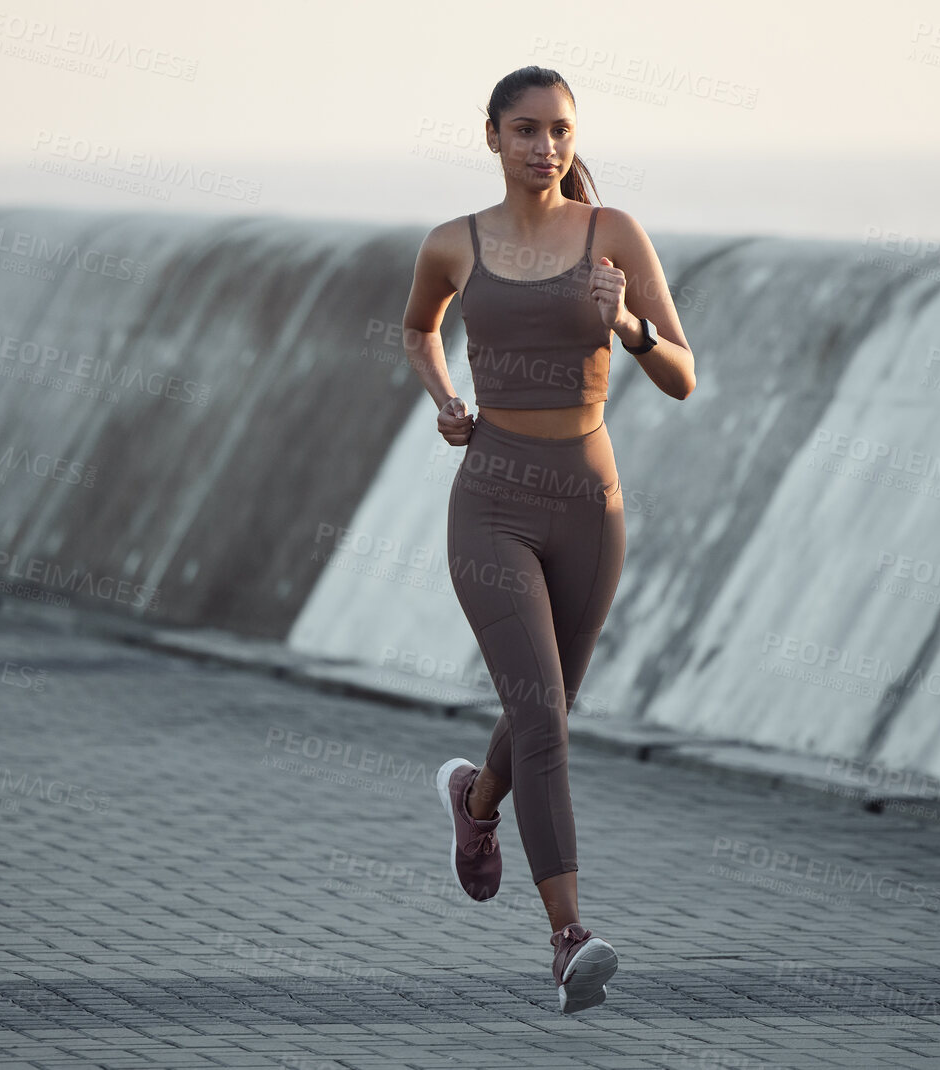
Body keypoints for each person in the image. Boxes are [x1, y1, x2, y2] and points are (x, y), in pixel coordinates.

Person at [399, 65, 696, 1013]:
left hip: (590, 502)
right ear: (491, 136)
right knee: (542, 718)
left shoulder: (614, 237)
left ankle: (475, 807)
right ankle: (568, 937)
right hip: (491, 498)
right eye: (525, 131)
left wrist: (627, 323)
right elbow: (418, 330)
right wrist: (448, 400)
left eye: (560, 131)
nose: (545, 147)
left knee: (549, 704)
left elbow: (684, 374)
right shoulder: (453, 244)